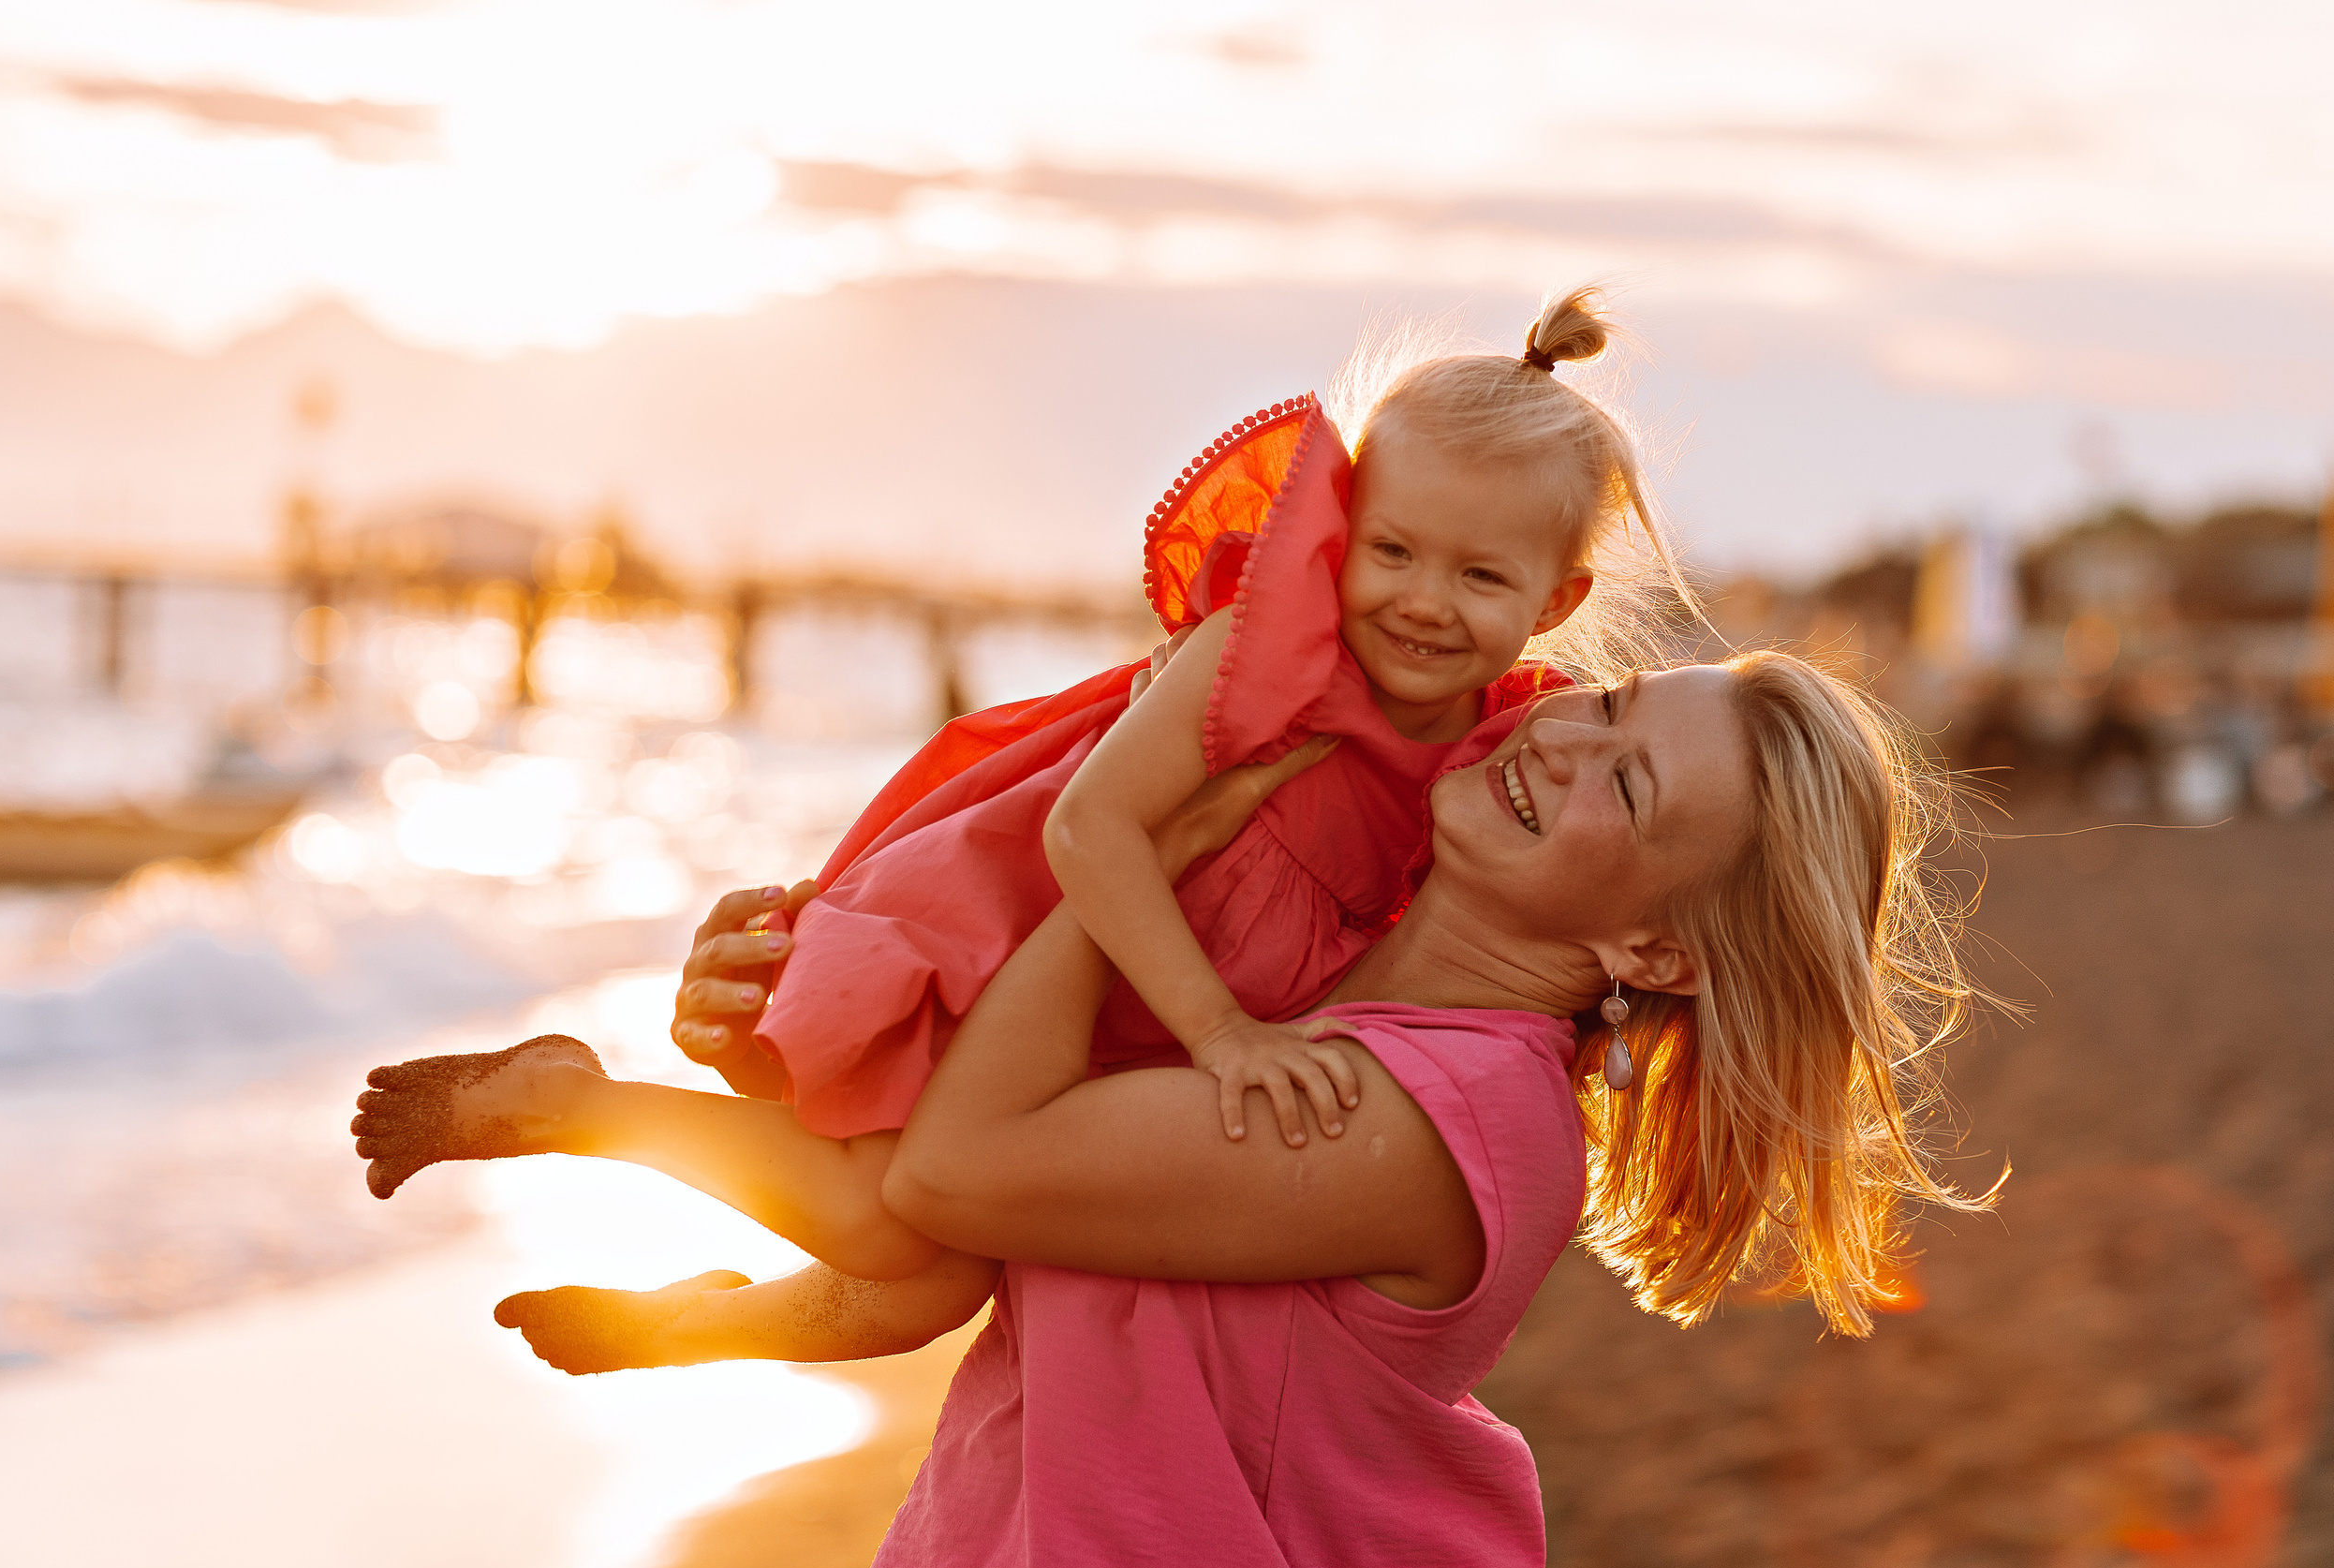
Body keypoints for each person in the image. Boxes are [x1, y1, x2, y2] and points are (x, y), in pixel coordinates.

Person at [453, 648, 1986, 1568]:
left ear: (1655, 951)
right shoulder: (1284, 992)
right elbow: (969, 1237)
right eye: (1605, 703)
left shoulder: (1432, 1114)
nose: (1560, 743)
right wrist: (782, 1031)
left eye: (1627, 788)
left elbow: (965, 1167)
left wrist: (1124, 851)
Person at [353, 288, 1689, 1309]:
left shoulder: (1516, 747)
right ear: (1340, 530)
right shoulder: (1262, 660)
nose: (1420, 600)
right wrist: (1221, 1034)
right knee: (889, 1221)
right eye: (1391, 550)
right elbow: (1091, 830)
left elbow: (1558, 921)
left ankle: (713, 1322)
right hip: (1054, 934)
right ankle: (579, 1105)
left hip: (1151, 999)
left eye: (1478, 578)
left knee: (948, 1278)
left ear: (1554, 603)